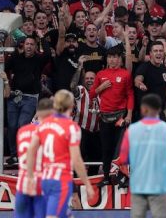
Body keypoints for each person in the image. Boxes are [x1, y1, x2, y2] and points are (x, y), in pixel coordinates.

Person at [24, 90, 95, 218]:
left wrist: (30, 177)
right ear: (71, 105)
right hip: (61, 179)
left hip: (44, 178)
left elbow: (30, 152)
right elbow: (76, 159)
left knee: (64, 213)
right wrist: (87, 184)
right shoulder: (71, 127)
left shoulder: (42, 124)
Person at [116, 94, 166, 218]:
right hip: (160, 186)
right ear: (159, 109)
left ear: (144, 109)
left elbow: (123, 159)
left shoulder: (132, 130)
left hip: (138, 185)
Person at [92, 46, 134, 178]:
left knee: (120, 149)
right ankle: (106, 177)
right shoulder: (100, 74)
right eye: (110, 57)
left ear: (120, 59)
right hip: (104, 116)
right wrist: (101, 87)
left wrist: (129, 115)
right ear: (107, 59)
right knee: (106, 149)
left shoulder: (125, 74)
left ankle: (120, 177)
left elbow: (130, 95)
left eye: (115, 57)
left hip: (120, 116)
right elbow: (92, 93)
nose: (113, 60)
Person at [14, 98, 53, 218]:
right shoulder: (50, 133)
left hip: (22, 185)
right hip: (41, 186)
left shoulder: (21, 131)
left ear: (37, 112)